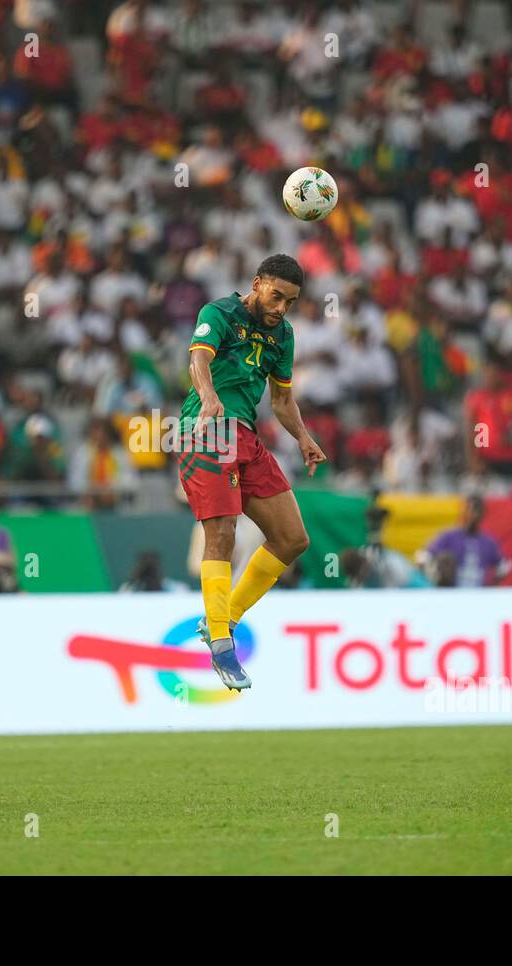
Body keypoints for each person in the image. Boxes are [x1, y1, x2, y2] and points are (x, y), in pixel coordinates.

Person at [180, 253, 326, 691]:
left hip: (245, 437)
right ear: (257, 282)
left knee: (293, 539)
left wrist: (303, 437)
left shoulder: (283, 336)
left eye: (291, 301)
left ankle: (222, 618)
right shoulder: (218, 313)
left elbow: (281, 401)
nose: (282, 308)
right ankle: (223, 645)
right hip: (206, 430)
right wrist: (208, 396)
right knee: (221, 534)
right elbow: (198, 361)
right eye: (276, 296)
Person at [421, 495, 510, 587]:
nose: (473, 516)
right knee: (445, 559)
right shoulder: (449, 536)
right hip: (452, 594)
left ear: (482, 514)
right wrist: (433, 578)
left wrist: (493, 586)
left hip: (479, 594)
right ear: (463, 512)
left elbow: (504, 565)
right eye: (470, 510)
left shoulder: (488, 542)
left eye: (477, 511)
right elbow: (424, 556)